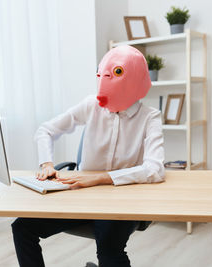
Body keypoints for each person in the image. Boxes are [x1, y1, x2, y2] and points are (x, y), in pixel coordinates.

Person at [11, 45, 165, 267]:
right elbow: (45, 130)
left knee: (110, 250)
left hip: (120, 199)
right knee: (22, 227)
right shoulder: (92, 105)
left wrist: (100, 178)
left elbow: (155, 169)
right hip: (81, 194)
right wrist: (47, 164)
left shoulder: (150, 117)